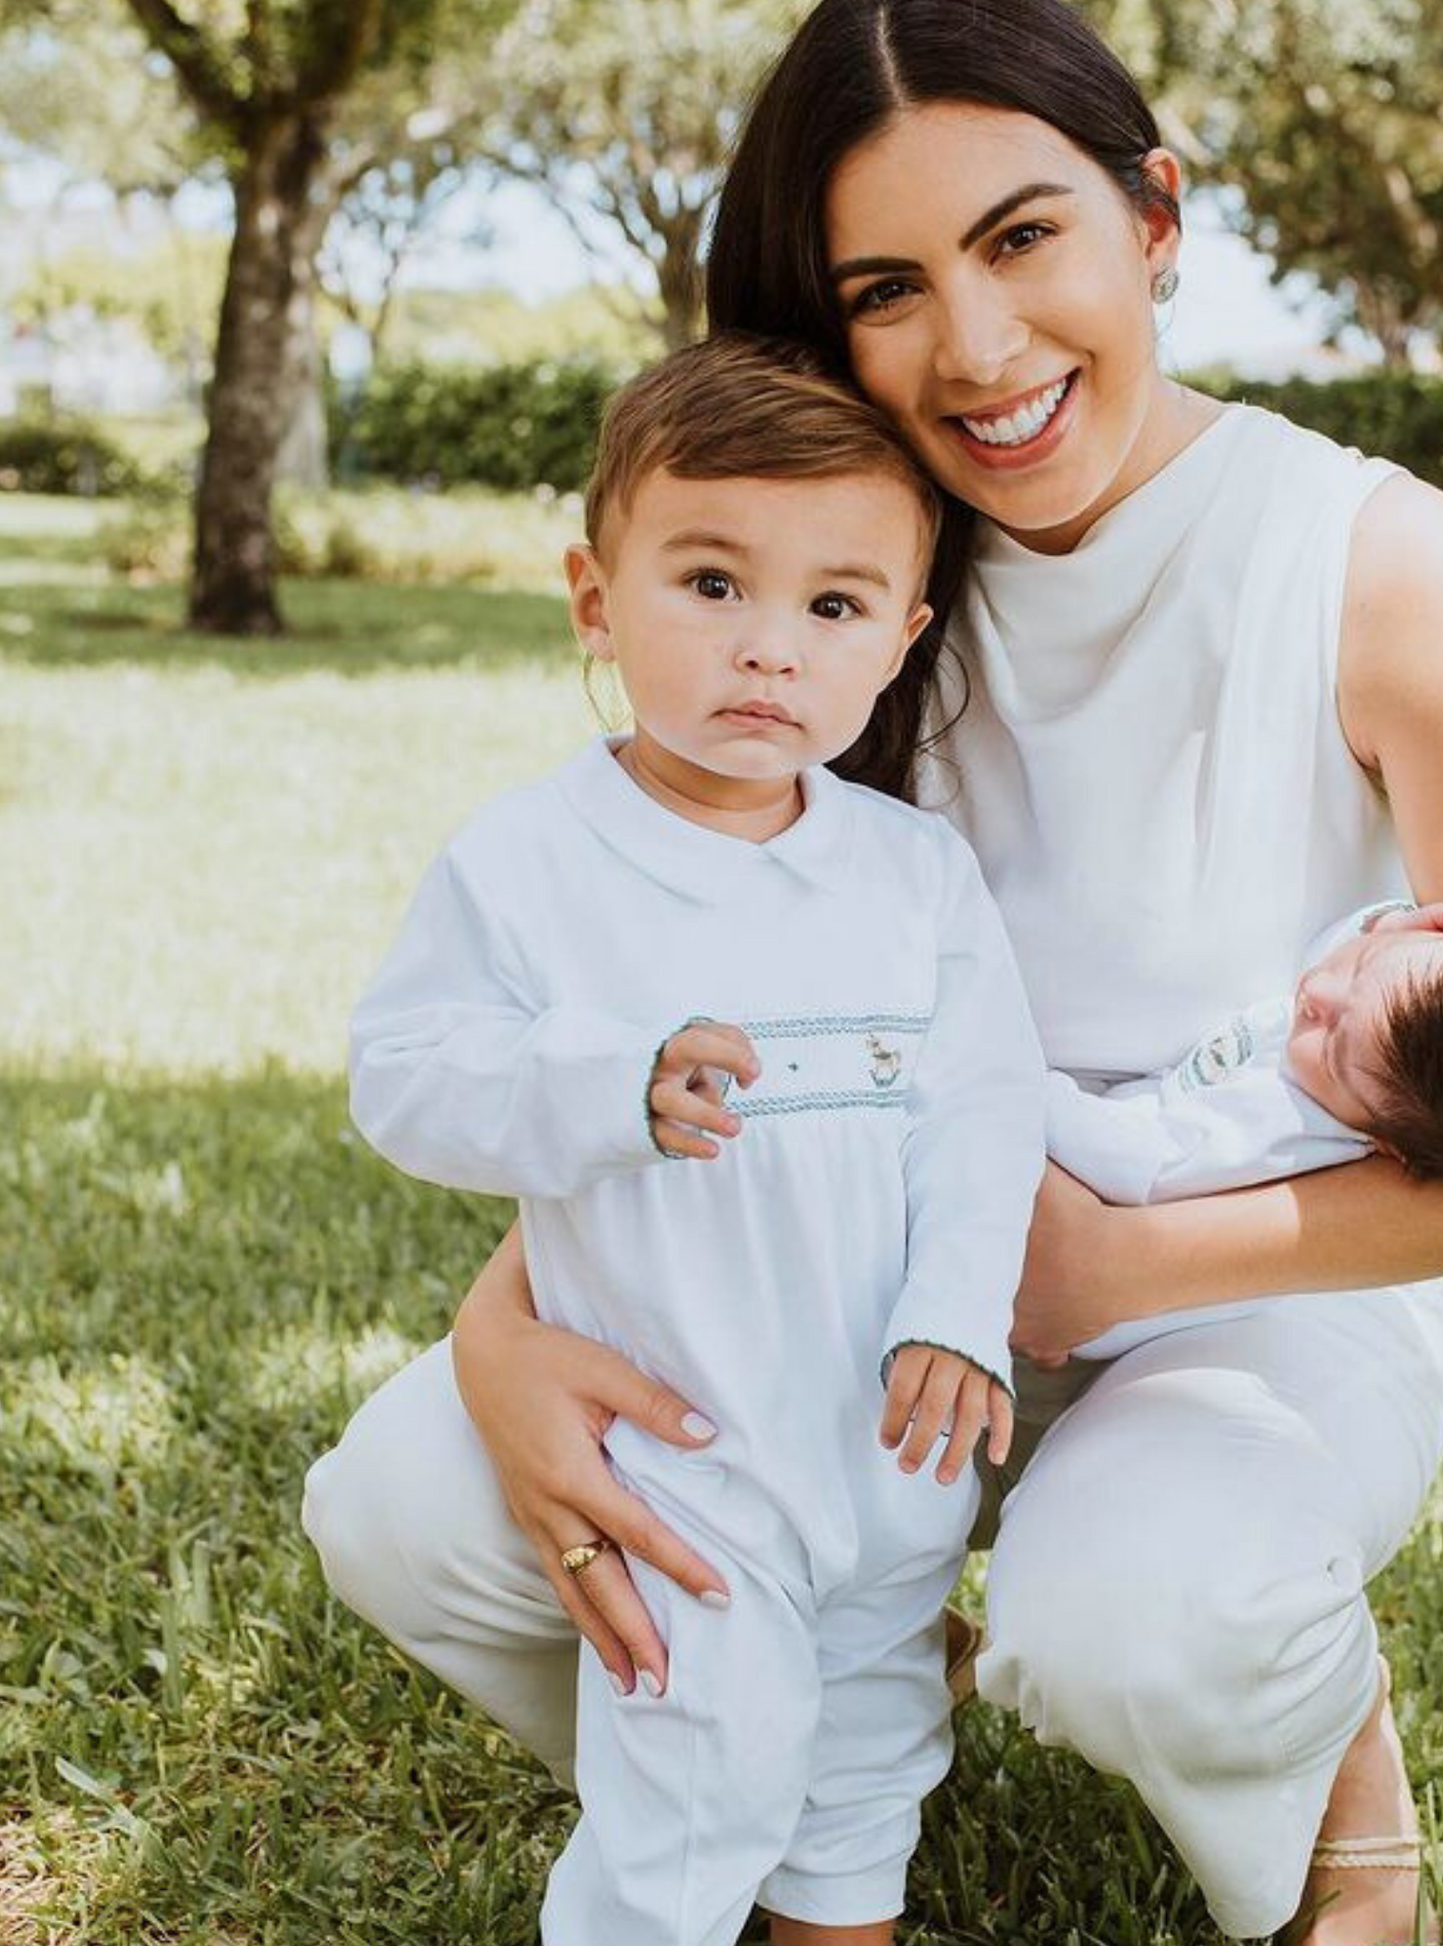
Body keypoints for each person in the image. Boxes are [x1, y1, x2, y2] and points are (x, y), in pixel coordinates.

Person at [302, 2, 1443, 1940]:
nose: (977, 346)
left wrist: (1111, 1268)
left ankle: (1336, 1780)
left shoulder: (1386, 570)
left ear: (1152, 217)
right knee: (412, 1508)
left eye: (1022, 237)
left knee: (1139, 1619)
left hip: (1245, 1285)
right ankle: (837, 1732)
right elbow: (717, 1014)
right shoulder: (829, 566)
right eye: (887, 287)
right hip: (843, 1265)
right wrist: (507, 1323)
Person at [340, 334, 1047, 1945]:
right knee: (697, 1766)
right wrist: (604, 1086)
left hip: (883, 1440)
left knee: (867, 1752)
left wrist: (956, 1305)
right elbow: (405, 1073)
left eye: (833, 605)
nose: (767, 649)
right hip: (684, 1446)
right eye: (711, 582)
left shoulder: (913, 875)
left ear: (902, 636)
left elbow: (984, 1107)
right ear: (597, 599)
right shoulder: (531, 861)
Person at [1046, 896, 1443, 1361]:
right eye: (1361, 965)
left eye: (1333, 1047)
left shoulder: (1282, 1127)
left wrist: (1021, 1087)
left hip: (1097, 1274)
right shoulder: (1374, 1031)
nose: (1315, 993)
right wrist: (1392, 923)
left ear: (1384, 1143)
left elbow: (1135, 1158)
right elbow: (1346, 953)